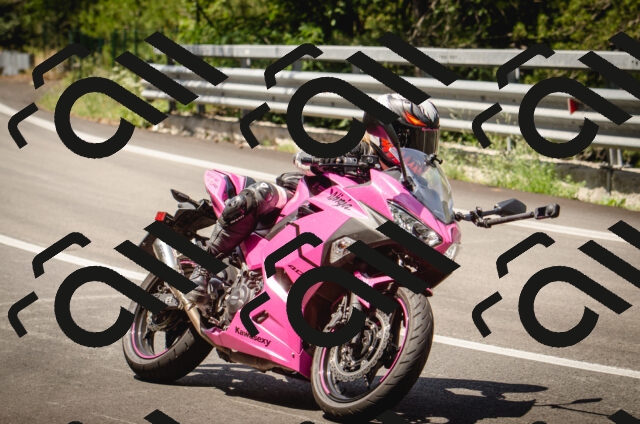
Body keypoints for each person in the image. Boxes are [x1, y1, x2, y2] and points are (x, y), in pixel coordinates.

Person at [186, 93, 441, 310]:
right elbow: (306, 157)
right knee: (261, 193)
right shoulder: (358, 150)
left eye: (426, 141)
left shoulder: (411, 183)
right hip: (308, 203)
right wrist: (325, 158)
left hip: (355, 230)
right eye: (411, 140)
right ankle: (203, 268)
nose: (420, 150)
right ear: (381, 133)